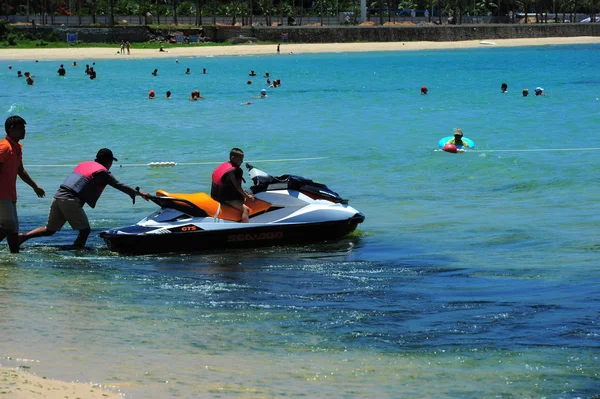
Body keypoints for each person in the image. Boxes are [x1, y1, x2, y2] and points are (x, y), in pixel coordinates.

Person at [19, 148, 149, 250]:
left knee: (49, 230)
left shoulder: (84, 164)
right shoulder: (102, 172)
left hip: (58, 196)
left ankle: (23, 237)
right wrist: (138, 193)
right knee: (85, 230)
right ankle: (77, 250)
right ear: (108, 161)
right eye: (110, 162)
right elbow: (118, 184)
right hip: (70, 199)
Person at [0, 116, 45, 253]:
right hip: (1, 194)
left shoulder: (17, 147)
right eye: (21, 128)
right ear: (11, 129)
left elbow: (20, 170)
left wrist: (34, 186)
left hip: (10, 194)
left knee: (14, 229)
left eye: (24, 128)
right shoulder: (4, 147)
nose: (24, 131)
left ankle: (14, 257)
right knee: (9, 225)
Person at [211, 148, 255, 223]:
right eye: (240, 159)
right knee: (246, 209)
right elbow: (237, 187)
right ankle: (245, 228)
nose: (242, 161)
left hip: (215, 194)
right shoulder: (231, 172)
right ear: (233, 158)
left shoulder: (225, 165)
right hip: (224, 198)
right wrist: (247, 197)